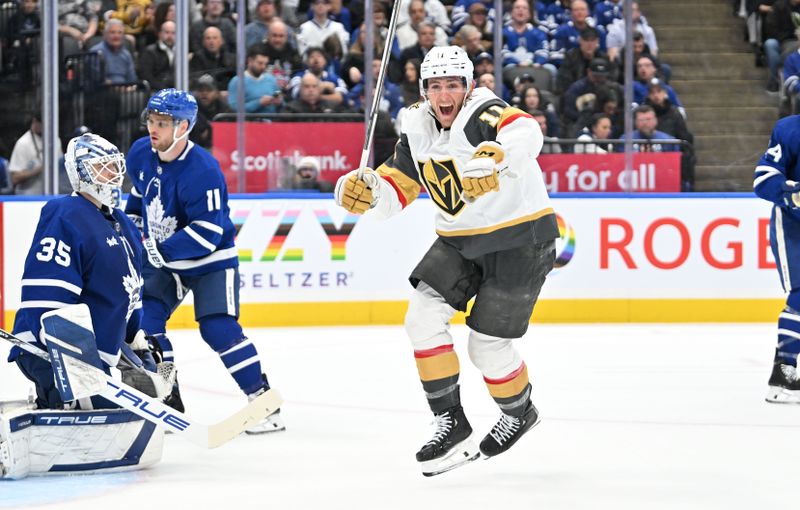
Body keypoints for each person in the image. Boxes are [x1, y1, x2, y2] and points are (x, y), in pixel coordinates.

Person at [334, 46, 558, 476]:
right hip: (459, 240)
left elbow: (525, 129)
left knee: (487, 347)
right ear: (424, 90)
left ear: (469, 86)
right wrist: (368, 193)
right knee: (420, 319)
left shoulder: (483, 112)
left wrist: (496, 155)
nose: (444, 94)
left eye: (453, 84)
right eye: (435, 86)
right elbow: (398, 186)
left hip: (520, 240)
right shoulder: (417, 123)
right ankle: (450, 420)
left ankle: (519, 411)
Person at [0, 133, 165, 478]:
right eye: (101, 169)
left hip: (103, 352)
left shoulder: (122, 223)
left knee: (153, 389)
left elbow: (130, 296)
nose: (112, 176)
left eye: (114, 168)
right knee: (120, 399)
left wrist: (137, 343)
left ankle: (73, 396)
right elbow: (46, 300)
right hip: (54, 352)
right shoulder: (65, 214)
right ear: (80, 174)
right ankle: (58, 396)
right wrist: (73, 366)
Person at [124, 88, 285, 433]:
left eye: (162, 123)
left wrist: (159, 250)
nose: (153, 129)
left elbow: (209, 232)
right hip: (165, 262)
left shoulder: (203, 170)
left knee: (218, 329)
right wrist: (134, 232)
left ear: (183, 127)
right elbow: (137, 198)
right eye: (151, 121)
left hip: (211, 262)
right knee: (144, 327)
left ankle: (263, 401)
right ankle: (168, 399)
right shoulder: (140, 153)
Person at [754, 113, 800, 402]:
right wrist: (789, 192)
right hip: (793, 225)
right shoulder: (790, 129)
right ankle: (783, 372)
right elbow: (764, 177)